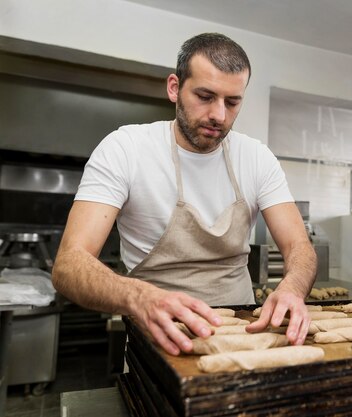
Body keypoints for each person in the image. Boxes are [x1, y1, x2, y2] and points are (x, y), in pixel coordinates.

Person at [51, 33, 317, 356]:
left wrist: (292, 288)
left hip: (244, 336)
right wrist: (139, 297)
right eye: (205, 96)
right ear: (174, 87)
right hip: (159, 341)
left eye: (232, 102)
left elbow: (298, 246)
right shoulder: (126, 149)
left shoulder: (256, 158)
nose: (219, 115)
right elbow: (68, 264)